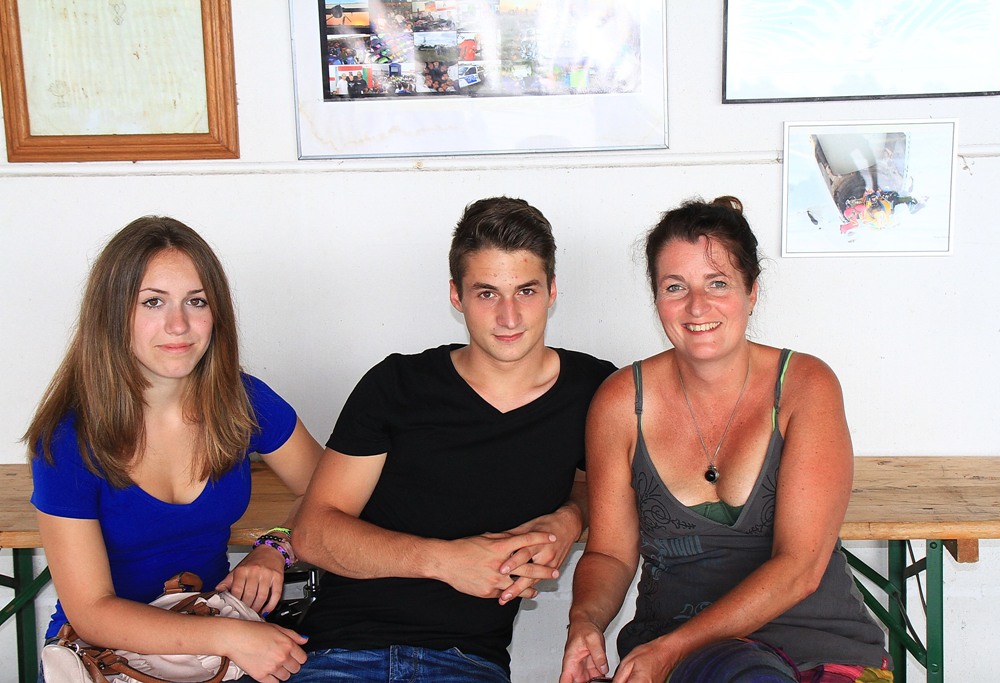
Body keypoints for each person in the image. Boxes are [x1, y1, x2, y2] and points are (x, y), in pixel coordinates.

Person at [560, 197, 891, 683]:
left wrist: (669, 650)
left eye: (717, 283)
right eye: (676, 287)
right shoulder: (620, 402)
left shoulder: (805, 386)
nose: (697, 306)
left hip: (818, 646)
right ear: (656, 298)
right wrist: (585, 622)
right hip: (683, 659)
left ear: (751, 291)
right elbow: (610, 554)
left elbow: (800, 568)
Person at [290, 196, 616, 682]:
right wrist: (446, 562)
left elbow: (597, 482)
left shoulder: (595, 390)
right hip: (339, 652)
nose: (509, 317)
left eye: (525, 291)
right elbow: (313, 533)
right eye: (487, 293)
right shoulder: (397, 385)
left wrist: (569, 519)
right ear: (456, 296)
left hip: (466, 662)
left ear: (551, 291)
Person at [26, 216, 321, 683]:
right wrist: (232, 637)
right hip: (106, 656)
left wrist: (276, 547)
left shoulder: (244, 400)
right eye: (153, 301)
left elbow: (332, 497)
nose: (179, 324)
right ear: (112, 313)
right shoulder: (67, 440)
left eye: (196, 301)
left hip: (211, 638)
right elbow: (92, 612)